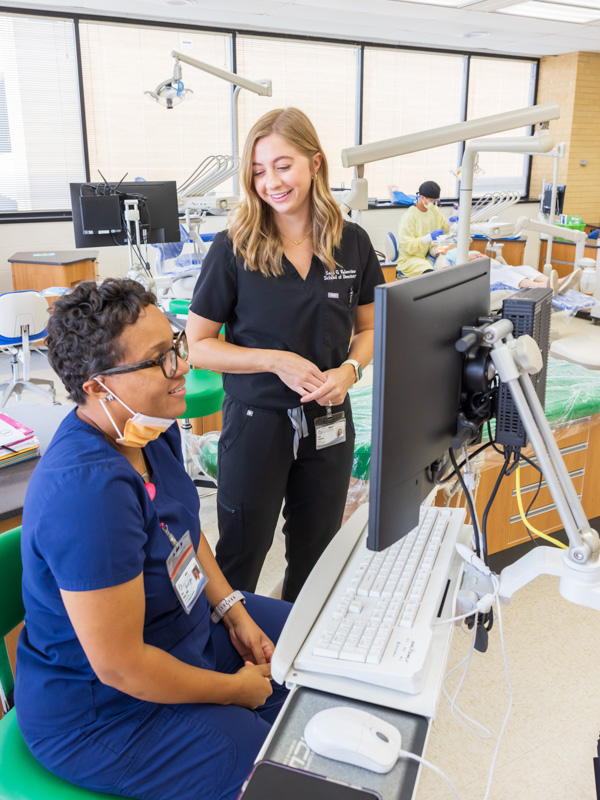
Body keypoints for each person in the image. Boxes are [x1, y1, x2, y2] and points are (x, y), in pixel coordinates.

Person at [15, 279, 291, 800]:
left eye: (178, 346)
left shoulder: (151, 427)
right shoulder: (88, 493)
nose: (184, 367)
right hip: (103, 710)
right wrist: (235, 691)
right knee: (259, 756)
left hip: (178, 630)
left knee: (308, 645)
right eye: (162, 359)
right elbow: (121, 664)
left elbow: (186, 533)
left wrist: (234, 610)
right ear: (98, 385)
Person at [186, 107, 384, 603]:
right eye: (257, 171)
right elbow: (200, 347)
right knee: (243, 549)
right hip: (257, 421)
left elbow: (370, 326)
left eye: (282, 165)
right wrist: (273, 360)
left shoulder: (352, 243)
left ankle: (294, 655)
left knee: (318, 550)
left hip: (330, 419)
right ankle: (230, 660)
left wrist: (351, 369)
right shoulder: (234, 246)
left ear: (315, 163)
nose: (270, 182)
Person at [396, 180, 452, 277]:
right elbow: (407, 245)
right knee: (429, 274)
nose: (434, 204)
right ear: (422, 197)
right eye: (432, 201)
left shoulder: (434, 211)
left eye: (436, 201)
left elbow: (445, 228)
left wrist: (450, 222)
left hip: (425, 255)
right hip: (410, 258)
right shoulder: (409, 216)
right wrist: (429, 237)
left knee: (450, 264)